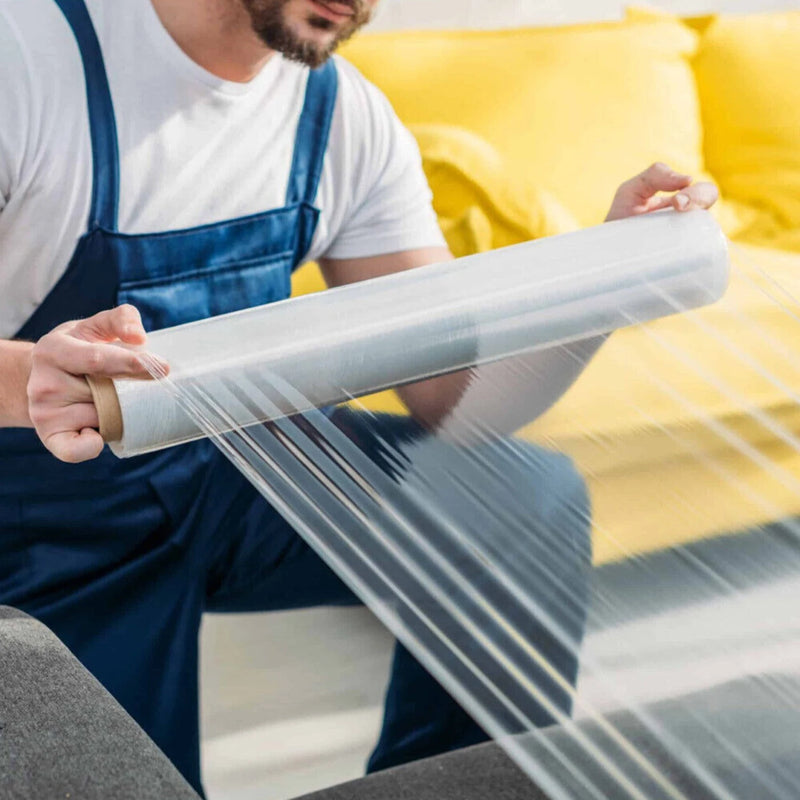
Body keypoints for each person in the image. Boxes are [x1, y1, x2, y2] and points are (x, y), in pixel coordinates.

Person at [0, 0, 719, 794]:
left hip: (241, 478)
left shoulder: (343, 115)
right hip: (41, 518)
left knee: (522, 499)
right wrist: (40, 377)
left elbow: (455, 399)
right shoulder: (27, 61)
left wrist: (599, 285)